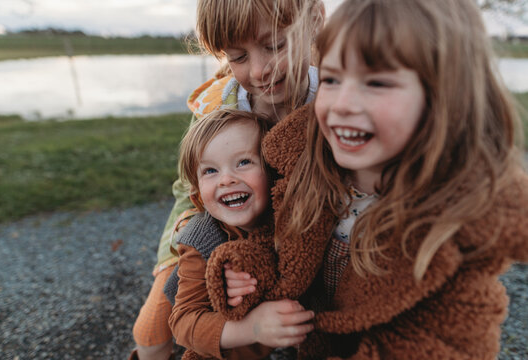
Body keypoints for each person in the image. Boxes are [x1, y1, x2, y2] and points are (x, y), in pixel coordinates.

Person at [204, 0, 528, 358]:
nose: (342, 104)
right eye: (331, 78)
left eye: (375, 82)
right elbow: (282, 239)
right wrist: (247, 271)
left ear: (445, 96)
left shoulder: (467, 205)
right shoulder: (309, 157)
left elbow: (451, 340)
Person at [132, 0, 324, 359]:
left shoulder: (332, 99)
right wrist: (183, 249)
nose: (260, 70)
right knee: (150, 331)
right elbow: (185, 189)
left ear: (314, 20)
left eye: (275, 46)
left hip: (300, 246)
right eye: (237, 57)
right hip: (217, 241)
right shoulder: (219, 108)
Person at [163, 108, 314, 360]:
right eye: (210, 171)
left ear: (271, 171)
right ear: (197, 191)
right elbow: (182, 323)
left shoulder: (292, 218)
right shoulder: (201, 238)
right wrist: (250, 328)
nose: (226, 179)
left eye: (244, 162)